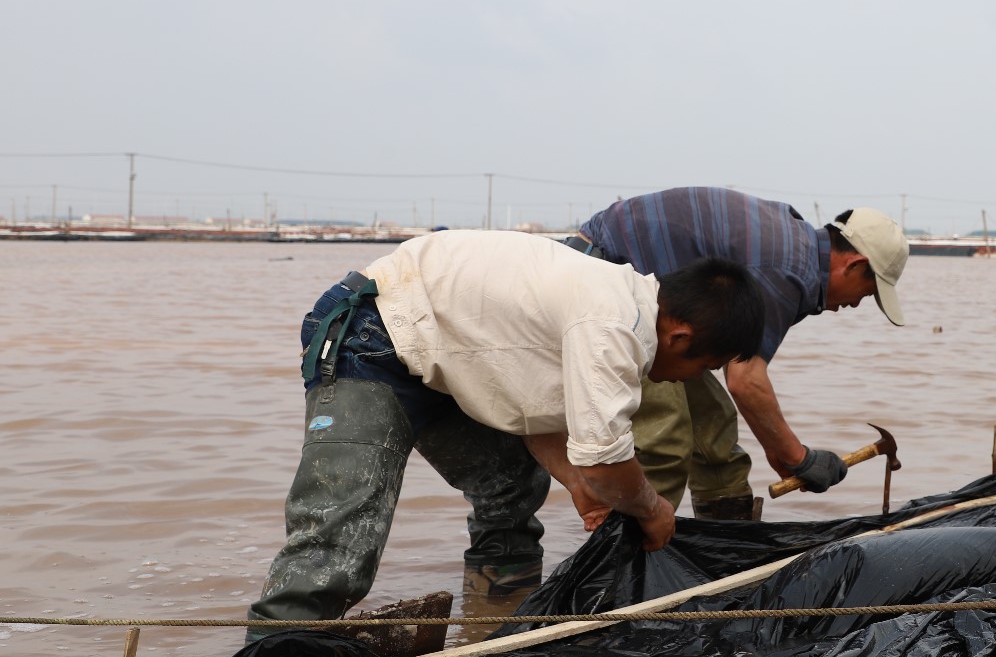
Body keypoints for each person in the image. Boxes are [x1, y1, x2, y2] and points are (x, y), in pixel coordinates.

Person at [246, 230, 764, 632]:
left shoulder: (620, 306)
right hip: (373, 331)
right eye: (704, 366)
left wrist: (577, 483)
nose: (691, 380)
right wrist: (652, 509)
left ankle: (495, 630)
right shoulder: (614, 323)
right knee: (344, 529)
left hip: (444, 349)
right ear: (681, 336)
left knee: (511, 486)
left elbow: (527, 407)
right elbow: (607, 459)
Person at [566, 188, 910, 520]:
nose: (855, 304)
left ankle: (727, 538)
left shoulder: (795, 248)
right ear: (854, 265)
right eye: (867, 292)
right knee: (666, 438)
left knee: (714, 424)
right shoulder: (786, 269)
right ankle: (633, 545)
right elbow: (745, 380)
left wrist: (779, 450)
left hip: (662, 306)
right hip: (607, 275)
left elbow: (739, 370)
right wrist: (799, 457)